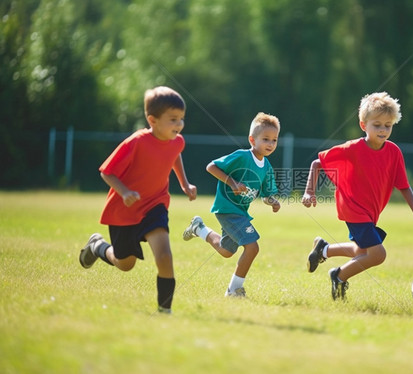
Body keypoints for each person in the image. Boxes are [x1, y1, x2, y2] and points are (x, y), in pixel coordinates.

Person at [301, 91, 413, 300]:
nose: (382, 130)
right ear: (364, 125)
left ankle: (324, 250)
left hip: (371, 211)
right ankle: (339, 276)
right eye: (377, 125)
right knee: (378, 254)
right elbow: (317, 163)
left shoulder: (394, 152)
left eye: (387, 125)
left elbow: (403, 185)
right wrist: (309, 192)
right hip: (353, 208)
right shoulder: (353, 148)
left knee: (362, 251)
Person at [79, 86, 197, 314]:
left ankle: (165, 311)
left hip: (155, 205)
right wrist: (124, 192)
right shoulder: (136, 142)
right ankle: (97, 246)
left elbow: (175, 154)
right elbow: (107, 171)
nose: (179, 125)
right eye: (173, 119)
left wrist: (184, 183)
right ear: (152, 120)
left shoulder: (177, 141)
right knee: (125, 264)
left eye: (181, 118)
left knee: (164, 255)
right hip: (124, 210)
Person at [183, 112, 281, 297]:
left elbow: (266, 194)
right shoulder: (242, 157)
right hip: (228, 209)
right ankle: (234, 290)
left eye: (274, 140)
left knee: (226, 251)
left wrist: (273, 202)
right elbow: (211, 167)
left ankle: (199, 229)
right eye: (265, 139)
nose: (270, 144)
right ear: (252, 139)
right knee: (253, 247)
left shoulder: (267, 166)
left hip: (240, 213)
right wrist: (232, 183)